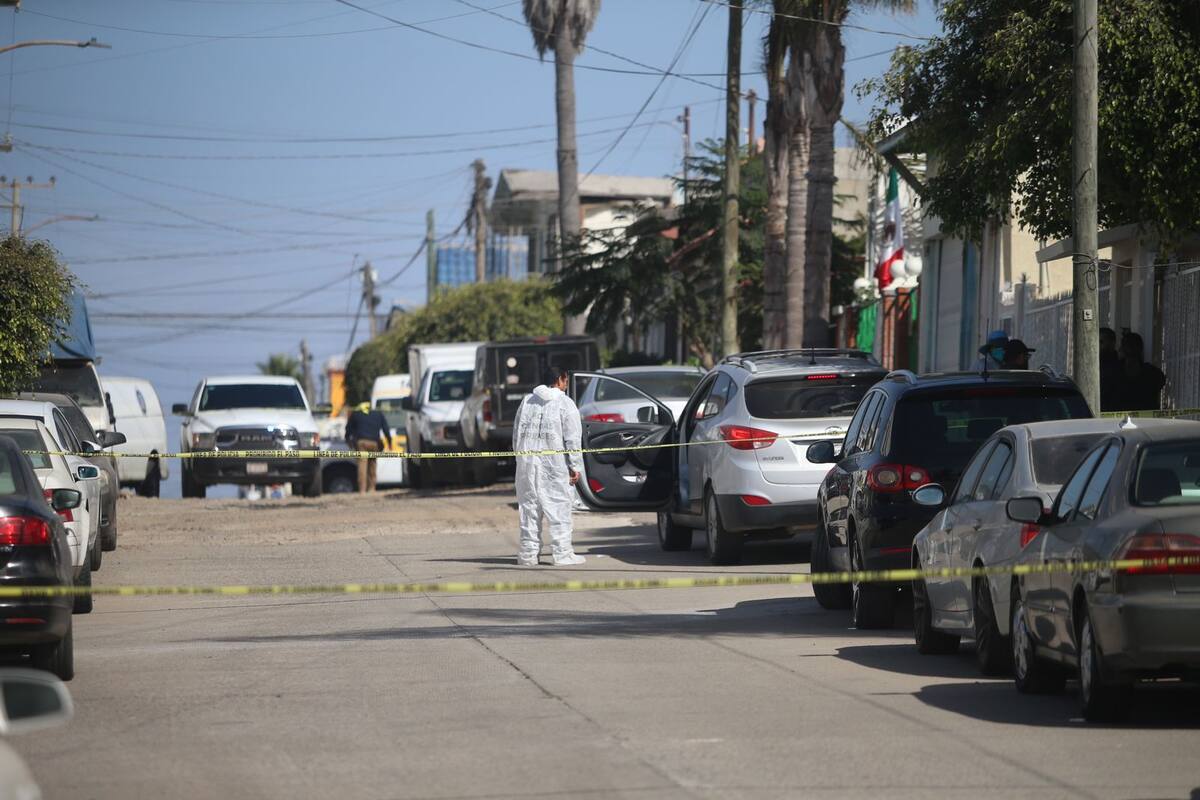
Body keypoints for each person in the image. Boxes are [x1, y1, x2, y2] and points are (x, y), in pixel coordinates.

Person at [513, 366, 585, 567]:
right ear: (561, 379)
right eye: (566, 380)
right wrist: (575, 465)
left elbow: (516, 435)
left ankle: (528, 555)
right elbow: (572, 439)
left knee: (529, 509)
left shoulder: (527, 401)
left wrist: (519, 460)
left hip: (527, 464)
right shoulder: (565, 403)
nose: (566, 384)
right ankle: (562, 554)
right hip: (554, 465)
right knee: (559, 508)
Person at [345, 401, 392, 493]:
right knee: (372, 465)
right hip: (374, 443)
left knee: (362, 465)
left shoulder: (356, 414)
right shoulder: (378, 413)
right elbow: (386, 429)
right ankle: (372, 488)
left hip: (361, 442)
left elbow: (348, 429)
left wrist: (348, 440)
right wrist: (389, 442)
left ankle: (362, 490)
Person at [1118, 331, 1167, 411]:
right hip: (1147, 420)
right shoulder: (1154, 373)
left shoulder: (1112, 373)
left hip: (1118, 420)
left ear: (1122, 349)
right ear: (1141, 349)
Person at [1099, 327, 1121, 411]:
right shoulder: (1094, 364)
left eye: (1101, 342)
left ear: (1112, 343)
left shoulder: (1119, 366)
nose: (1099, 345)